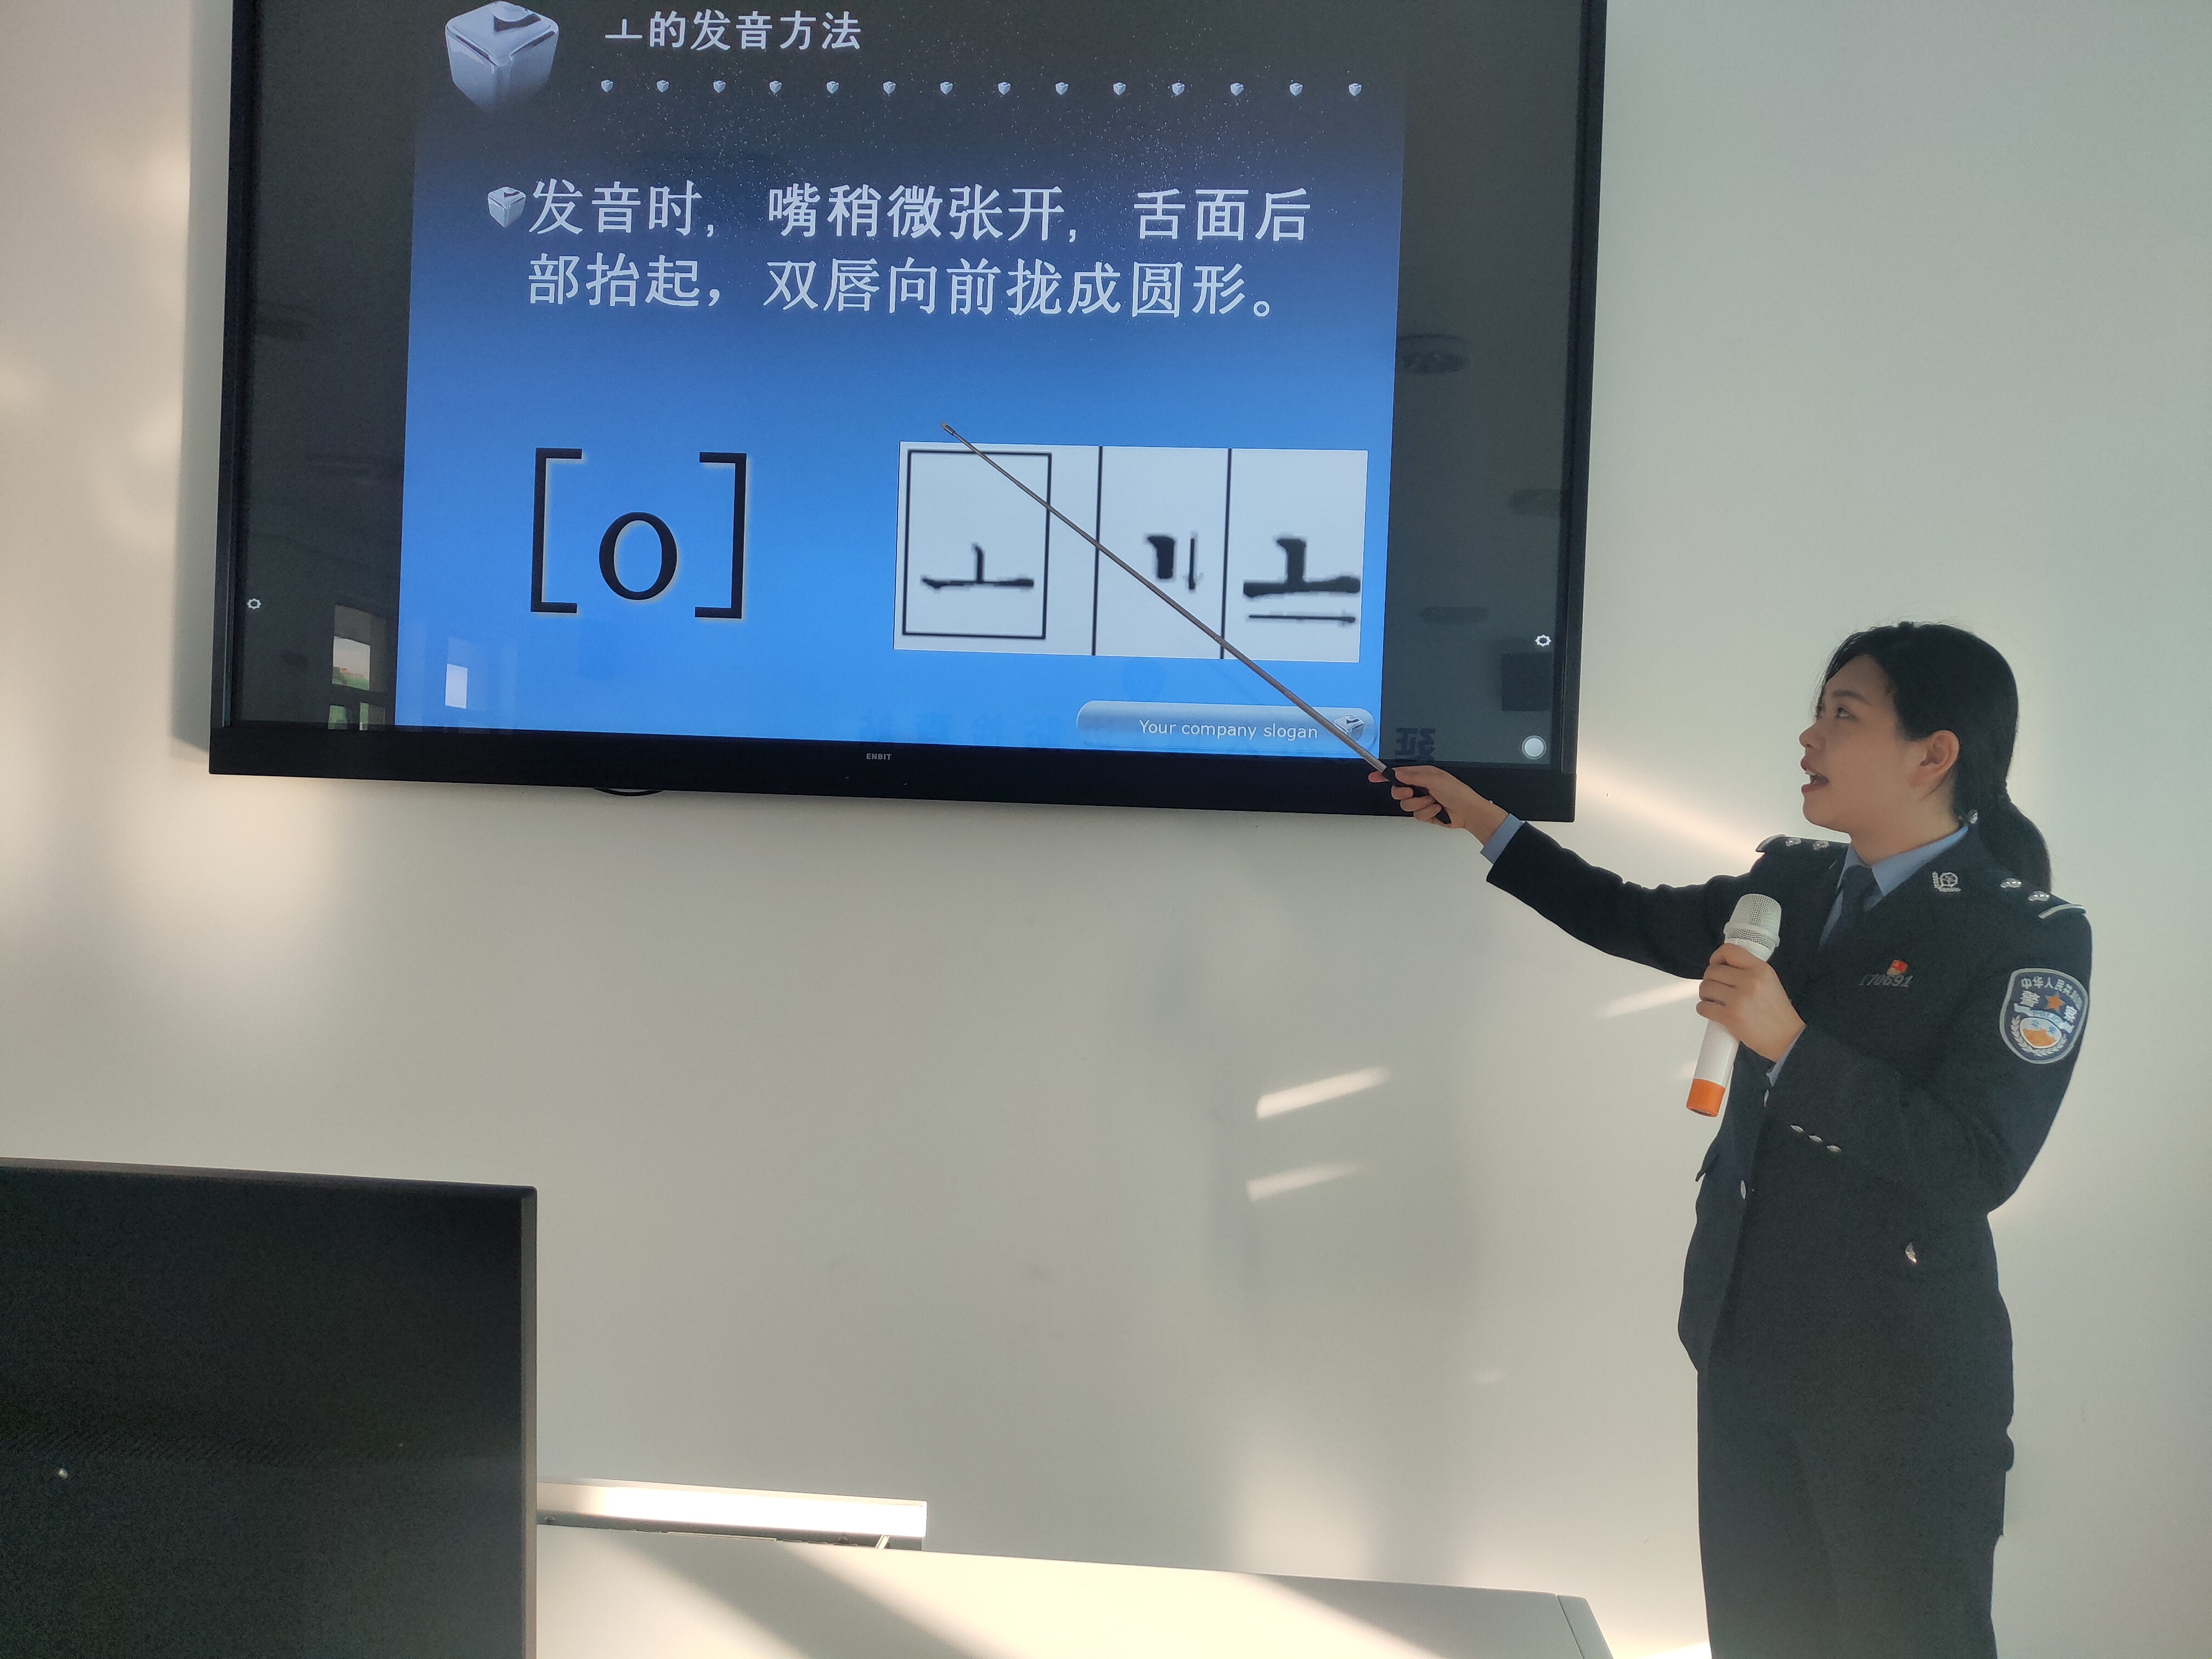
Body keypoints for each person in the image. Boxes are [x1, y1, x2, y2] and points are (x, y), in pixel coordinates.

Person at [1377, 623, 2091, 1659]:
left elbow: (1975, 1161)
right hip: (1748, 1347)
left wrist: (1790, 1045)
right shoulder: (1794, 885)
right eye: (1818, 711)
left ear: (1933, 754)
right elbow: (1627, 915)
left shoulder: (2026, 934)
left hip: (1900, 1387)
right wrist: (1484, 820)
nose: (1809, 736)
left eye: (1843, 715)